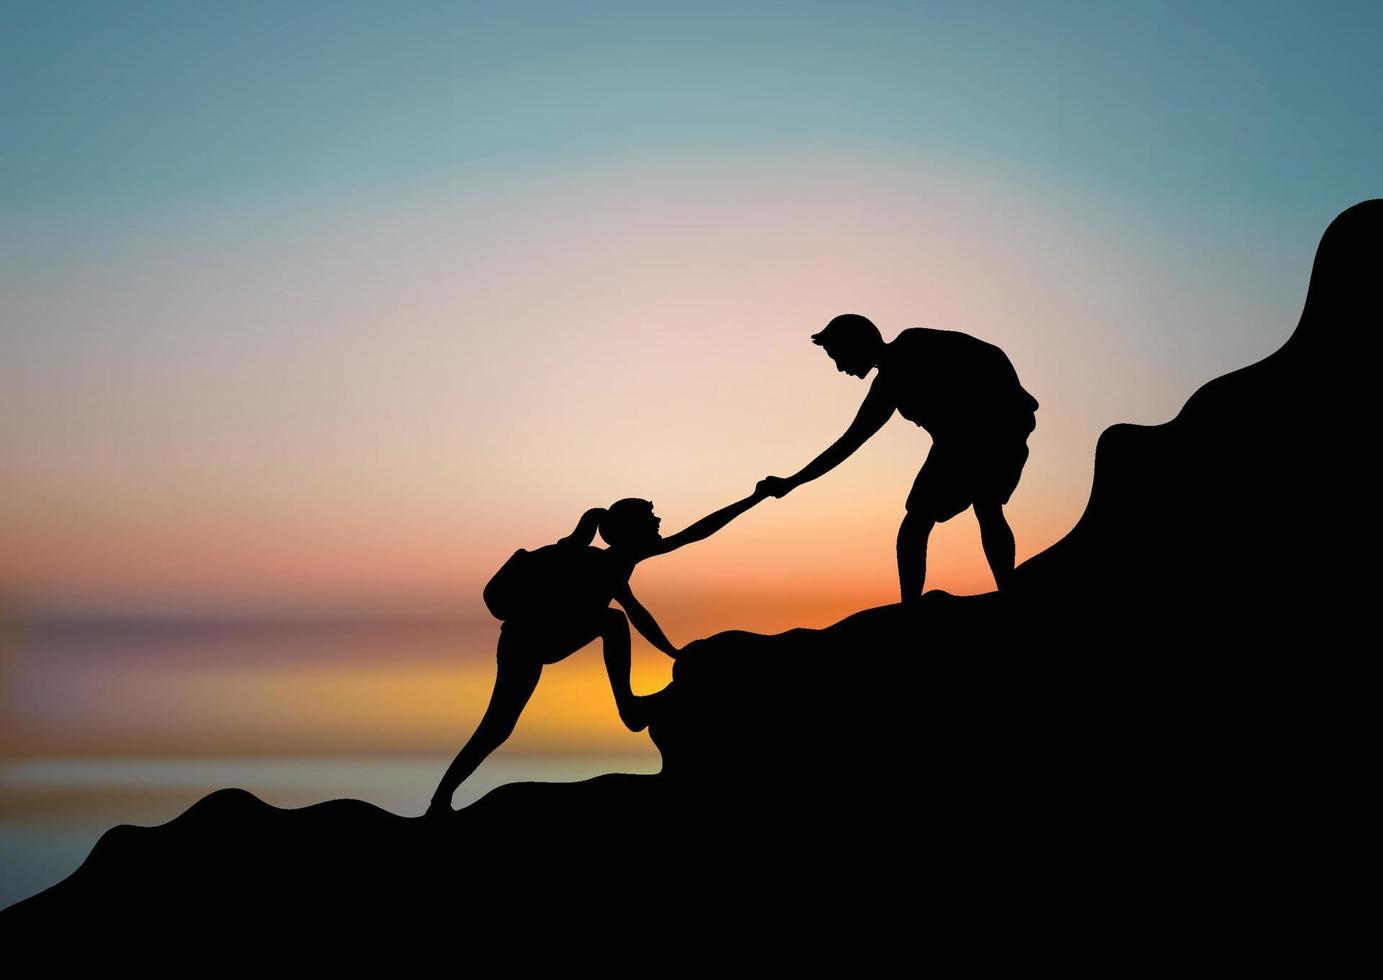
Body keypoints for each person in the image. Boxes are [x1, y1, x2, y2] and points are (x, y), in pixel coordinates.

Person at [427, 490, 765, 816]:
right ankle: (628, 708)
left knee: (500, 724)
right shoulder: (593, 560)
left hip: (541, 638)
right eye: (650, 517)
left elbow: (640, 609)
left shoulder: (615, 563)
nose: (659, 520)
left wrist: (673, 653)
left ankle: (440, 801)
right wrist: (756, 497)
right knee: (498, 726)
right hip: (526, 640)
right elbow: (690, 539)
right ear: (631, 529)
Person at [759, 313, 1037, 600]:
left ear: (857, 344)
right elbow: (848, 443)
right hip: (959, 439)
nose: (840, 368)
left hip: (996, 423)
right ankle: (914, 608)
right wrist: (791, 482)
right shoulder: (886, 388)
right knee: (924, 521)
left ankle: (1006, 596)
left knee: (983, 505)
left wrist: (1002, 405)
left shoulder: (914, 344)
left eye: (838, 356)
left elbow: (988, 356)